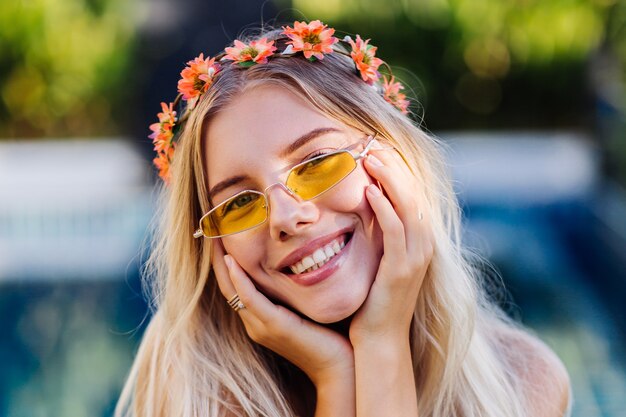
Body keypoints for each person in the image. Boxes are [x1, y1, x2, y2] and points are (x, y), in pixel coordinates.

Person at [116, 20, 571, 417]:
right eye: (237, 204)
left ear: (397, 162)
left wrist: (381, 341)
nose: (288, 217)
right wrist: (336, 376)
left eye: (318, 163)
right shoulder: (194, 391)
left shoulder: (523, 383)